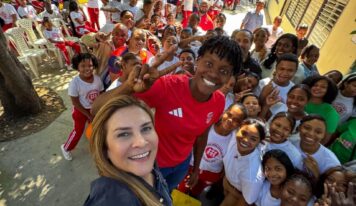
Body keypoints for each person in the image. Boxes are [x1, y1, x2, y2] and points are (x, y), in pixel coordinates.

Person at [92, 36, 243, 192]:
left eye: (224, 71)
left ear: (230, 77)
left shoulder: (218, 101)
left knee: (167, 192)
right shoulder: (168, 87)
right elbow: (96, 109)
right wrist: (129, 87)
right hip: (152, 165)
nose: (213, 74)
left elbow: (202, 135)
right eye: (209, 64)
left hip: (181, 165)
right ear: (197, 61)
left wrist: (196, 167)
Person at [84, 95, 171, 206]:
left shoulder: (149, 164)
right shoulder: (111, 200)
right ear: (104, 149)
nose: (141, 142)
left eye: (146, 128)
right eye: (124, 134)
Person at [178, 103, 247, 197]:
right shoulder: (208, 126)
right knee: (180, 191)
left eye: (236, 120)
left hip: (211, 174)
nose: (230, 120)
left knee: (194, 194)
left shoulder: (235, 140)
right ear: (224, 112)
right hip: (191, 166)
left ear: (240, 124)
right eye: (229, 115)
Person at [61, 53, 104, 161]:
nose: (87, 69)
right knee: (78, 131)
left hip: (94, 109)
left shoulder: (97, 79)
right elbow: (75, 103)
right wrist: (88, 115)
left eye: (90, 65)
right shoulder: (75, 83)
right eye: (83, 66)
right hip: (80, 110)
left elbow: (102, 94)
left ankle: (97, 145)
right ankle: (66, 147)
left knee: (97, 128)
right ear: (77, 67)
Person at [222, 118, 266, 205]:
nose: (245, 140)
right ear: (237, 130)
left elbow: (246, 201)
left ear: (259, 142)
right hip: (227, 183)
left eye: (253, 139)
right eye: (244, 133)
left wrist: (230, 190)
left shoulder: (252, 174)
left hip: (238, 195)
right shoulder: (234, 139)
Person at [302, 75, 339, 145]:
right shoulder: (299, 100)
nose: (318, 88)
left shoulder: (331, 113)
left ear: (329, 91)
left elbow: (324, 140)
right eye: (315, 85)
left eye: (323, 87)